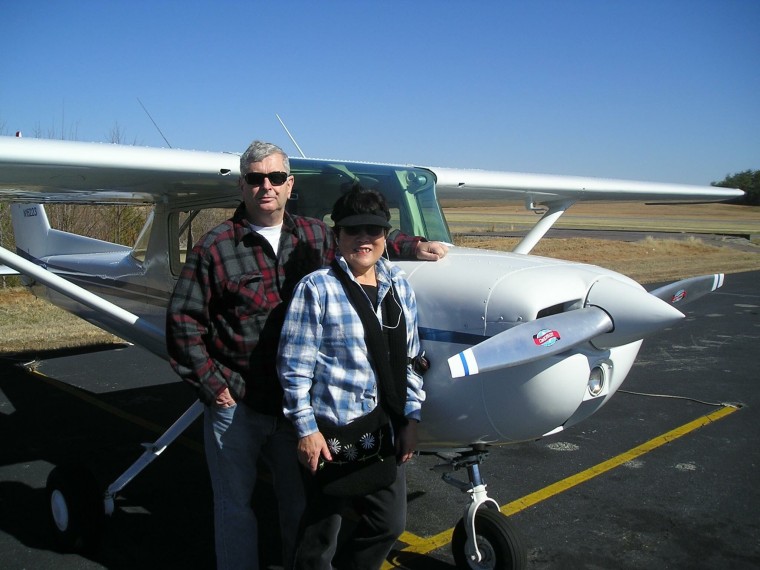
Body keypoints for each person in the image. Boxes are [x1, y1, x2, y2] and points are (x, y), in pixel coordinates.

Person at [166, 140, 446, 570]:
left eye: (276, 178)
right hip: (239, 399)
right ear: (242, 185)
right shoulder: (216, 245)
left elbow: (364, 236)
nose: (266, 187)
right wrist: (212, 385)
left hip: (297, 406)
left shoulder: (313, 233)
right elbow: (183, 320)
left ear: (289, 184)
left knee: (300, 509)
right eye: (256, 179)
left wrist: (413, 245)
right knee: (235, 507)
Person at [277, 186, 425, 570]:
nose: (364, 239)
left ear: (385, 236)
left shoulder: (400, 286)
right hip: (333, 434)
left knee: (388, 524)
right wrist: (306, 430)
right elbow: (294, 367)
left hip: (384, 430)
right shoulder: (317, 289)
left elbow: (410, 360)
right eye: (353, 230)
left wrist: (411, 419)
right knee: (321, 535)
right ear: (337, 235)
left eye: (373, 231)